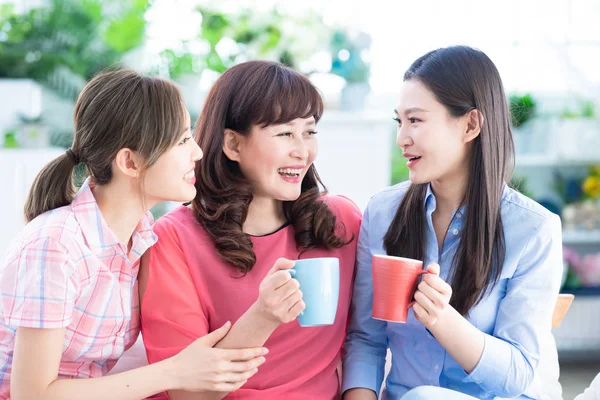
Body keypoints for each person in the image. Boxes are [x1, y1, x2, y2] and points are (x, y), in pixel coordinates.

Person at [0, 69, 267, 400]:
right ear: (130, 162)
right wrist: (176, 370)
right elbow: (33, 395)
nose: (197, 153)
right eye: (183, 140)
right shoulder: (57, 245)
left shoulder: (140, 241)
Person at [342, 46, 563, 400]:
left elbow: (520, 375)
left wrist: (443, 320)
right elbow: (366, 340)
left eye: (415, 120)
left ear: (471, 124)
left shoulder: (533, 229)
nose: (402, 138)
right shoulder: (382, 213)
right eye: (400, 122)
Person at [139, 60, 362, 400]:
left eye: (310, 132)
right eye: (285, 133)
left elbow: (366, 339)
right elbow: (187, 394)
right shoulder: (174, 239)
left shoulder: (340, 222)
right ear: (233, 144)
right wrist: (263, 316)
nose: (302, 151)